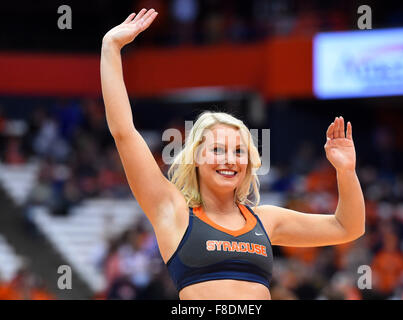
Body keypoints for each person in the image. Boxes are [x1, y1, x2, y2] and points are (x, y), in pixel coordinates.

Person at [100, 8, 365, 300]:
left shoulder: (266, 220)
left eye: (239, 151)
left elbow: (347, 227)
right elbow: (124, 132)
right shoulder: (172, 211)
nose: (230, 159)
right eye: (218, 149)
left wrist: (346, 172)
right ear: (197, 159)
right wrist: (111, 47)